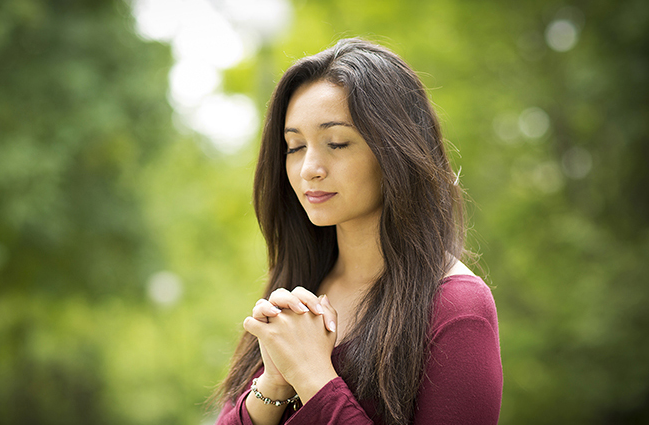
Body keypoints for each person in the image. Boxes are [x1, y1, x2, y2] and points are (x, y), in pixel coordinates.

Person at [213, 38, 502, 425]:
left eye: (336, 142)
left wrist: (313, 376)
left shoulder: (456, 309)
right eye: (294, 147)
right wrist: (274, 385)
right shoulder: (301, 287)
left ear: (397, 150)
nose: (308, 168)